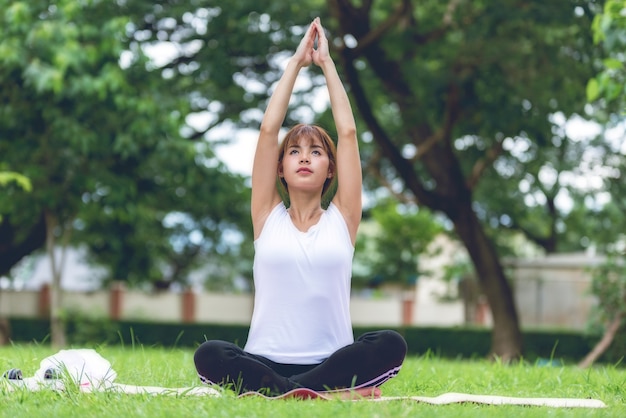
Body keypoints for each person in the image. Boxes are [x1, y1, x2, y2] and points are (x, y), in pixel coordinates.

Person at [194, 17, 407, 397]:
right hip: (264, 361)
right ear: (280, 168)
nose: (304, 158)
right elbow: (267, 132)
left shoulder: (344, 218)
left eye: (315, 152)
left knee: (390, 343)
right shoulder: (266, 216)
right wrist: (295, 62)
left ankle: (284, 392)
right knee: (210, 354)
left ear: (331, 169)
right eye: (294, 152)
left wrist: (326, 64)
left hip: (331, 361)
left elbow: (348, 133)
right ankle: (321, 394)